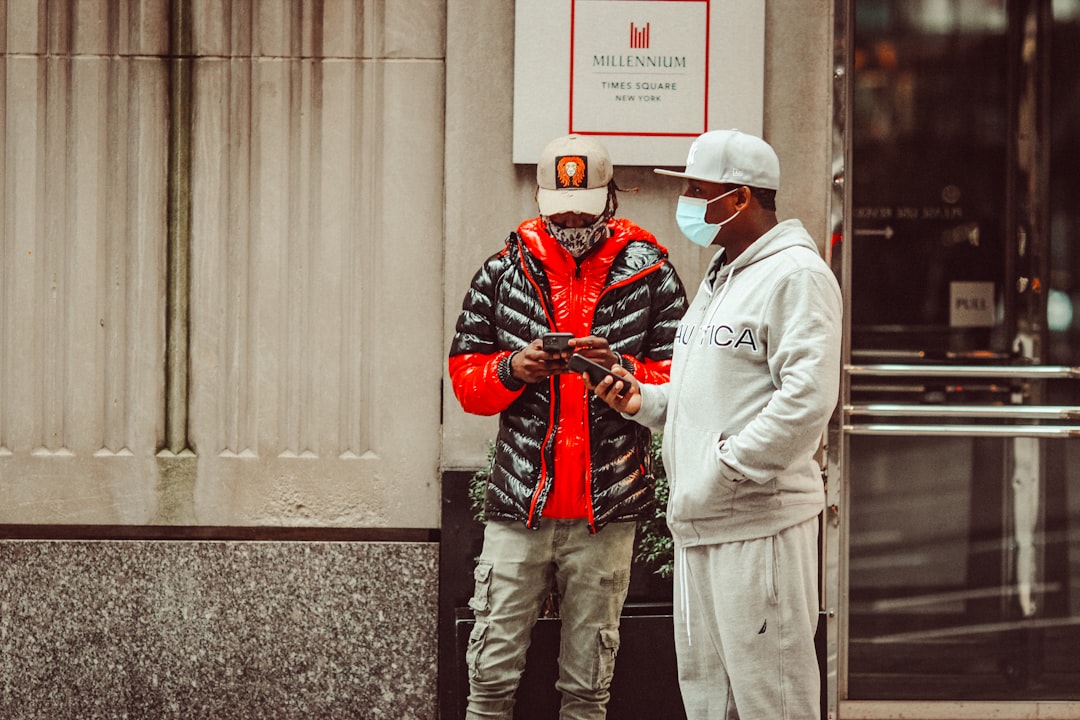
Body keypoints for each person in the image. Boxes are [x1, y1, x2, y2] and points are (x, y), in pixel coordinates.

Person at [589, 129, 842, 720]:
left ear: (740, 198)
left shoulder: (796, 276)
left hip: (759, 525)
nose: (689, 206)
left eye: (699, 191)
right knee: (710, 699)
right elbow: (702, 391)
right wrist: (641, 401)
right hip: (704, 524)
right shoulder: (722, 275)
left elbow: (806, 401)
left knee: (772, 698)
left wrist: (726, 469)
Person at [449, 134, 688, 720]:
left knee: (588, 687)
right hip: (519, 505)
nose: (573, 219)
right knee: (489, 679)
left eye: (584, 206)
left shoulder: (652, 271)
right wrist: (514, 368)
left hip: (605, 511)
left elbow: (685, 376)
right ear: (540, 200)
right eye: (562, 208)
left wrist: (621, 369)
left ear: (611, 198)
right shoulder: (504, 271)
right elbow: (464, 376)